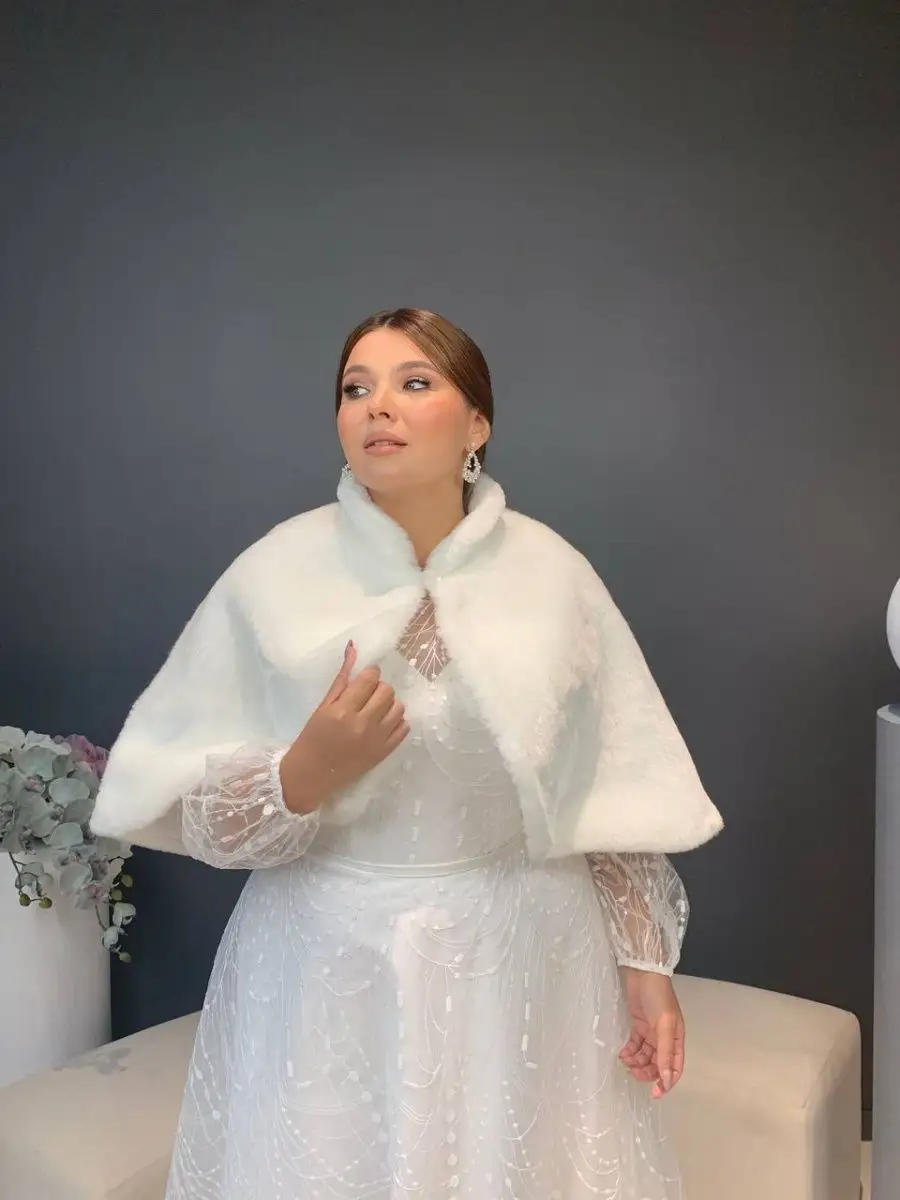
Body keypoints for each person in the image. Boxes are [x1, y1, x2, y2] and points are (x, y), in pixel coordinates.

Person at [91, 307, 723, 1199]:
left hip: (526, 959)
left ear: (477, 424)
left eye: (413, 383)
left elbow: (605, 787)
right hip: (329, 962)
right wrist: (303, 772)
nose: (377, 406)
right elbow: (201, 819)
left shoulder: (552, 576)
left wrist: (646, 968)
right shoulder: (276, 575)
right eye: (356, 388)